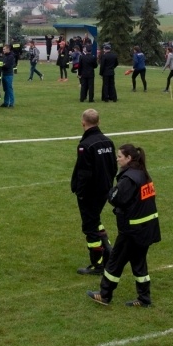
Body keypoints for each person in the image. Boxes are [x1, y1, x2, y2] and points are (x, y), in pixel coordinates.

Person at [86, 143, 161, 307]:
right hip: (147, 227)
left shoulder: (129, 178)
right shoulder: (142, 173)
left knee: (115, 261)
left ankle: (104, 295)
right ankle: (144, 298)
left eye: (119, 156)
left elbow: (116, 198)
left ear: (128, 158)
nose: (117, 159)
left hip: (132, 230)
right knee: (139, 262)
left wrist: (111, 193)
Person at [71, 109, 117, 276]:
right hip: (104, 189)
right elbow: (114, 167)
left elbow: (84, 172)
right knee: (95, 219)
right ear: (99, 122)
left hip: (90, 192)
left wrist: (81, 192)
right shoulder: (108, 142)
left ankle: (98, 264)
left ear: (83, 123)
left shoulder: (85, 145)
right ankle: (110, 252)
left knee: (89, 227)